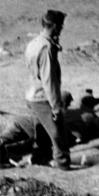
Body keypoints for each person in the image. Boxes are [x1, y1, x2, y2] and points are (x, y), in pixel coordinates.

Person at [25, 9, 71, 170]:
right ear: (56, 27)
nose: (62, 30)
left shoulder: (34, 43)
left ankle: (40, 158)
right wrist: (56, 106)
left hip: (32, 95)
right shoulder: (46, 47)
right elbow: (49, 81)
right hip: (42, 98)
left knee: (42, 133)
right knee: (58, 132)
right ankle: (63, 163)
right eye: (61, 27)